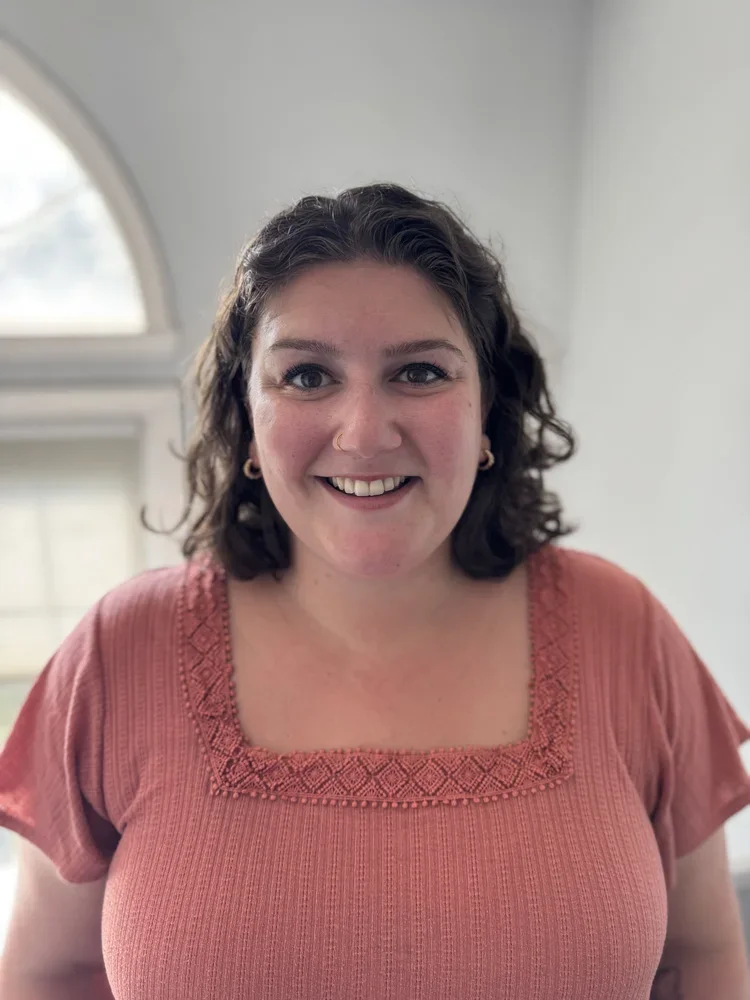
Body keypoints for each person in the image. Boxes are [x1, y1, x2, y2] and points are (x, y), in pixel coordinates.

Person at [0, 182, 748, 1000]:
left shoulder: (624, 631)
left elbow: (699, 956)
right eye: (308, 375)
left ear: (487, 404)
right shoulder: (119, 653)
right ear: (246, 415)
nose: (363, 432)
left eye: (420, 371)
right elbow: (53, 975)